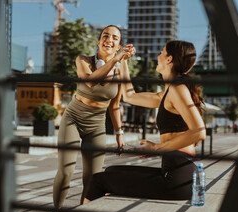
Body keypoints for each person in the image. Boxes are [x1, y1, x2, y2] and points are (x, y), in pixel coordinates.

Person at [84, 40, 206, 203]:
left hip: (177, 179)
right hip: (174, 172)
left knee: (98, 180)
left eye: (161, 53)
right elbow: (130, 96)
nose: (158, 56)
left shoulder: (178, 89)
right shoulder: (169, 93)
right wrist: (123, 62)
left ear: (169, 59)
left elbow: (199, 131)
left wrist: (155, 148)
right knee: (112, 170)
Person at [53, 25, 136, 208]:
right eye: (105, 36)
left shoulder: (121, 69)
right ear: (98, 41)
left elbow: (115, 106)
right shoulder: (83, 60)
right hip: (73, 117)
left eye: (115, 38)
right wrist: (115, 60)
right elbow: (90, 82)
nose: (109, 40)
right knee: (66, 171)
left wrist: (119, 133)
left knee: (92, 177)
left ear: (119, 45)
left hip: (97, 123)